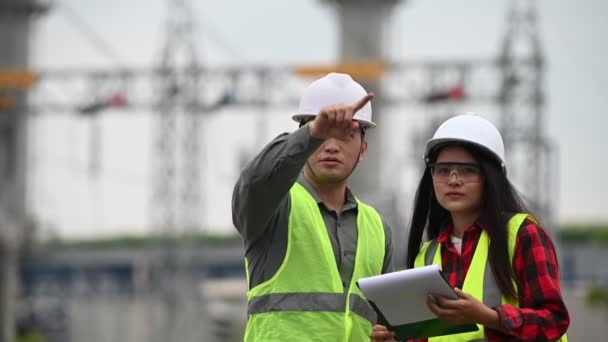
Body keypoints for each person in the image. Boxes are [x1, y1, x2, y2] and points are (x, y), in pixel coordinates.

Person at [371, 113, 569, 341]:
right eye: (443, 170)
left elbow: (554, 320)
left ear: (491, 177)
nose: (454, 180)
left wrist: (489, 317)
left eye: (467, 170)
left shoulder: (523, 235)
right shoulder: (427, 256)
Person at [232, 72, 394, 341]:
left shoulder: (378, 229)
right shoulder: (276, 207)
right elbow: (254, 183)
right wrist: (314, 132)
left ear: (363, 149)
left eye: (345, 135)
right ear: (305, 138)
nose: (331, 146)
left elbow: (381, 324)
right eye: (323, 135)